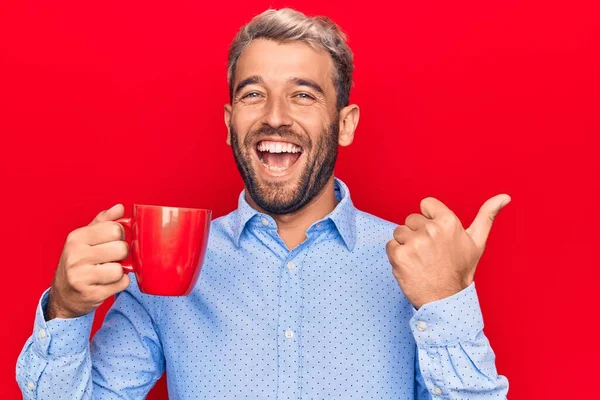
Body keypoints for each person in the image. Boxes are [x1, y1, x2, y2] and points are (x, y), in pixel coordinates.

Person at [17, 8, 510, 399]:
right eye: (254, 94)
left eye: (303, 95)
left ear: (346, 123)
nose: (276, 117)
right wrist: (65, 309)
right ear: (230, 122)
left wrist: (446, 300)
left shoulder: (415, 268)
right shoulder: (167, 270)